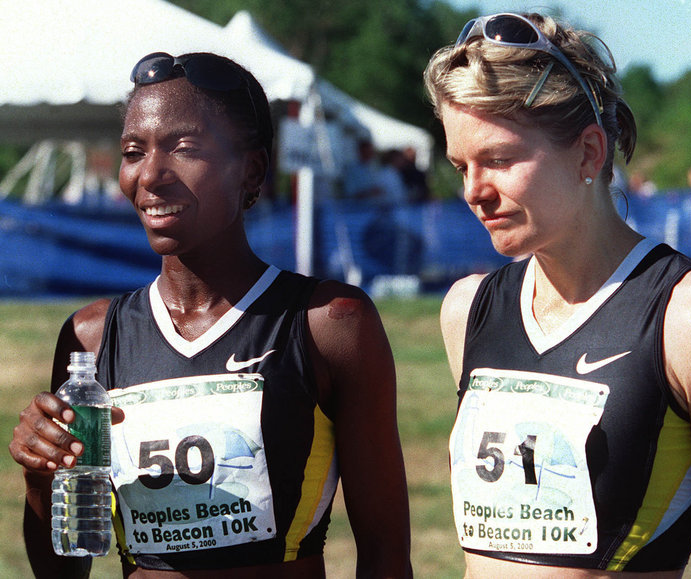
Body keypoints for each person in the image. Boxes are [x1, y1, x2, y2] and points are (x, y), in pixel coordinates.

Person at [9, 51, 412, 578]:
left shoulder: (329, 322)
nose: (151, 175)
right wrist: (42, 477)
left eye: (185, 148)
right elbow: (65, 567)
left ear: (253, 170)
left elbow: (385, 555)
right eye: (134, 151)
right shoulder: (90, 339)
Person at [423, 12, 691, 578]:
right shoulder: (467, 310)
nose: (474, 192)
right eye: (460, 166)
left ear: (590, 152)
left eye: (498, 159)